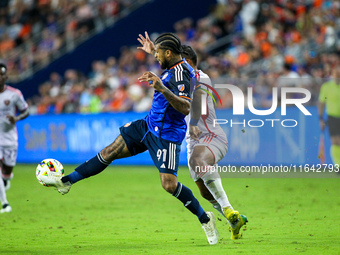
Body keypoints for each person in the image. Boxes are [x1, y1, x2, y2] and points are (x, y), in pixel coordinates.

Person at [45, 32, 219, 245]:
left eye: (158, 54)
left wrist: (161, 88)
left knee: (169, 184)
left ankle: (205, 218)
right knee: (110, 151)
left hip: (167, 135)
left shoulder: (184, 73)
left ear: (169, 52)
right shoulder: (171, 66)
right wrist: (152, 50)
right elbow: (162, 61)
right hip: (147, 125)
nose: (155, 57)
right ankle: (67, 181)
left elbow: (185, 108)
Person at [180, 45, 247, 240]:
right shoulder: (179, 82)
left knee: (198, 162)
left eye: (179, 62)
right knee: (204, 191)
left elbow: (199, 100)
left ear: (189, 63)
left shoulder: (201, 77)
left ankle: (227, 210)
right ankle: (234, 220)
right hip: (192, 142)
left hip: (211, 136)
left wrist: (192, 122)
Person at [0, 63, 29, 213]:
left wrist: (16, 118)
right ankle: (5, 204)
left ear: (6, 77)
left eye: (1, 74)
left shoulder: (14, 94)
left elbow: (26, 111)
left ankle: (5, 179)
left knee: (6, 173)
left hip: (9, 139)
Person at [318, 67, 340, 166]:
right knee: (335, 142)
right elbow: (321, 103)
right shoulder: (327, 87)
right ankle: (338, 165)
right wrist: (321, 118)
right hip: (332, 117)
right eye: (336, 74)